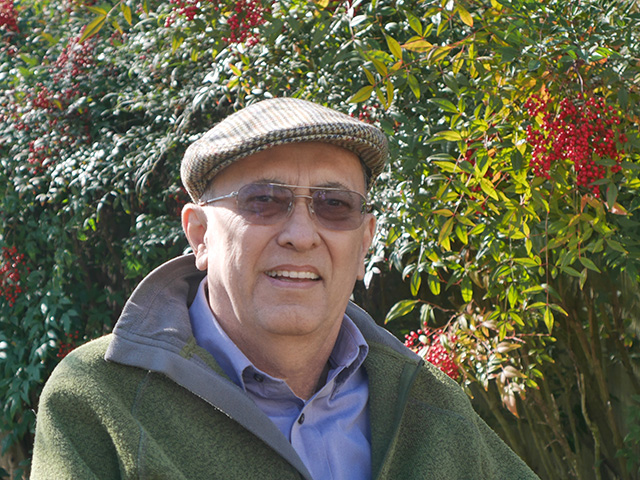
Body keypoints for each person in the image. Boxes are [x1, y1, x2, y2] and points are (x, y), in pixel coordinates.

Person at [31, 98, 539, 479]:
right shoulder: (99, 395)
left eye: (334, 205)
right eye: (264, 202)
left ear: (365, 243)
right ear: (200, 235)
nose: (300, 234)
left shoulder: (430, 405)